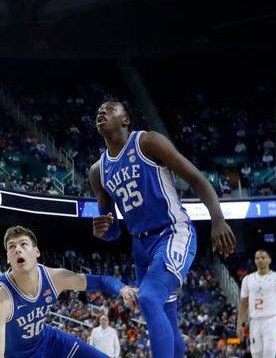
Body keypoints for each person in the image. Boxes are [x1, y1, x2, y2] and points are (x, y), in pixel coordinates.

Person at [90, 100, 236, 358]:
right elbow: (113, 230)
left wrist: (218, 218)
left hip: (172, 232)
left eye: (111, 109)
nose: (102, 112)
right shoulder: (97, 171)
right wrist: (103, 229)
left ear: (126, 120)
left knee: (148, 298)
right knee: (165, 315)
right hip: (141, 248)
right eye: (100, 110)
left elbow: (195, 178)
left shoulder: (147, 142)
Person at [0, 226, 137, 358]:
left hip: (48, 341)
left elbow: (101, 281)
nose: (17, 249)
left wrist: (122, 289)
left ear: (36, 251)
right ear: (7, 258)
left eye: (24, 244)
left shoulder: (54, 277)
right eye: (11, 247)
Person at [237, 249, 276, 358]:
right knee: (256, 355)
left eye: (263, 257)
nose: (260, 260)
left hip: (272, 322)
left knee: (270, 355)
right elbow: (243, 304)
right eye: (257, 258)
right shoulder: (247, 280)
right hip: (254, 322)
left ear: (269, 260)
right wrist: (239, 324)